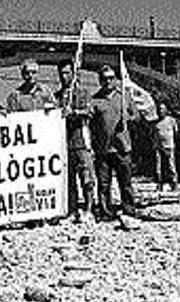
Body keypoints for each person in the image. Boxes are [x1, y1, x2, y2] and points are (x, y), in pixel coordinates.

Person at [90, 65, 138, 220]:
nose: (108, 81)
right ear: (100, 80)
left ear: (116, 79)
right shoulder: (95, 100)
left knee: (125, 182)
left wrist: (128, 119)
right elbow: (90, 124)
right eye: (104, 79)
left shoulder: (124, 97)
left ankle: (128, 209)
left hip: (122, 147)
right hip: (103, 149)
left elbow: (137, 117)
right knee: (103, 184)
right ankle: (105, 212)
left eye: (111, 78)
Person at [54, 59, 96, 223]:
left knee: (86, 178)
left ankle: (88, 210)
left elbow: (90, 112)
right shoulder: (57, 96)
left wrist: (74, 112)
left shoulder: (83, 93)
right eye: (61, 73)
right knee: (69, 180)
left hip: (81, 142)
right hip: (64, 144)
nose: (64, 76)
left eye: (67, 73)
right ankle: (72, 211)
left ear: (73, 74)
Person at [153, 103, 179, 191]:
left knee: (171, 166)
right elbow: (152, 134)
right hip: (158, 147)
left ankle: (174, 184)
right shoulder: (155, 122)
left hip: (169, 146)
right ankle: (159, 185)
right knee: (158, 167)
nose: (160, 111)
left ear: (166, 110)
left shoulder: (171, 120)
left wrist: (173, 143)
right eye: (159, 109)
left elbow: (176, 133)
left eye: (162, 109)